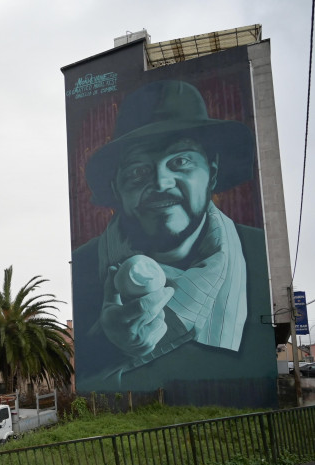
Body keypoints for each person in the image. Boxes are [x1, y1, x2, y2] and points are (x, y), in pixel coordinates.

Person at [72, 79, 274, 393]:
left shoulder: (260, 256)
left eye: (180, 161)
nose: (161, 182)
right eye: (138, 170)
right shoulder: (85, 265)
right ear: (116, 188)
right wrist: (109, 344)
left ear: (213, 172)